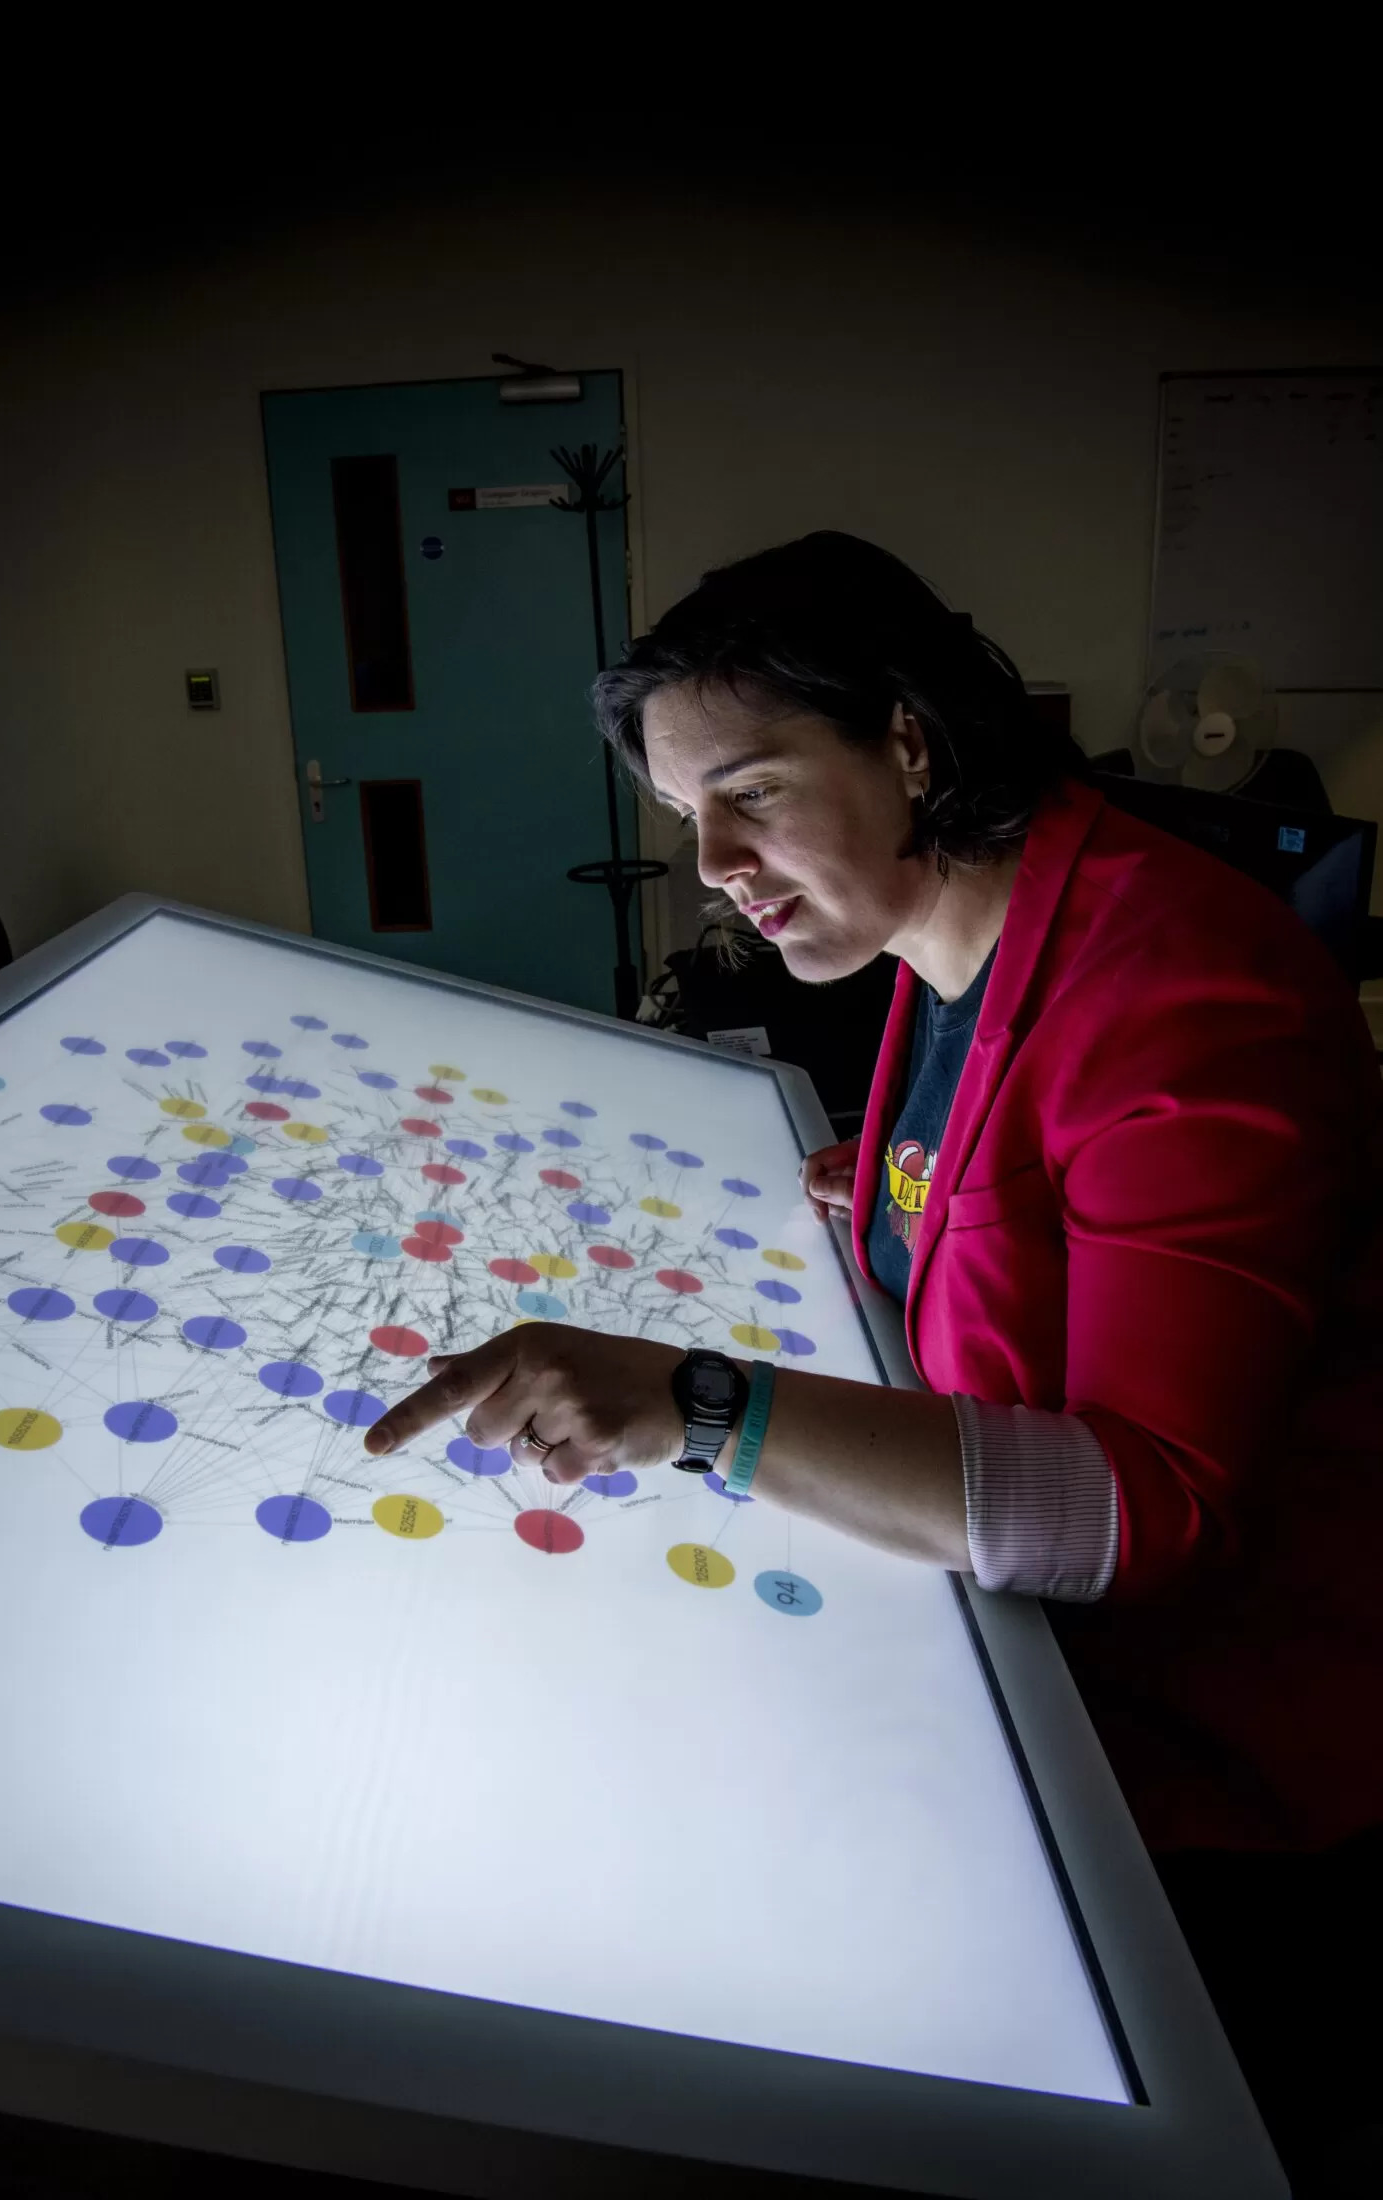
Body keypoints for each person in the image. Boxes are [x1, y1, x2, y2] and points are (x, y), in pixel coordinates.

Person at [365, 532, 1382, 2182]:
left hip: (1230, 1793)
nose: (712, 861)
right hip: (1052, 1683)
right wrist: (903, 1205)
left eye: (753, 794)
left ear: (909, 741)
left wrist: (701, 1403)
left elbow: (1153, 1508)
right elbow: (1008, 1168)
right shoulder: (947, 933)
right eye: (689, 821)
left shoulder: (1185, 988)